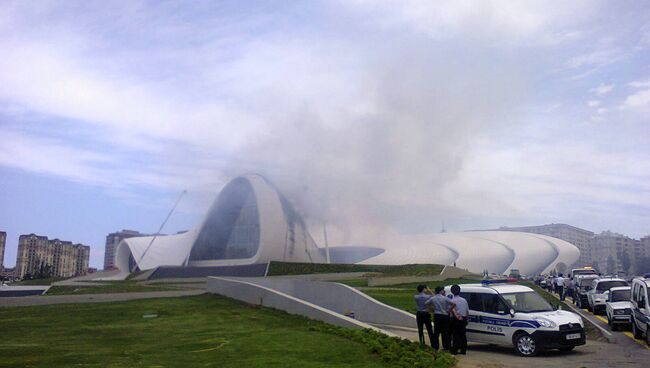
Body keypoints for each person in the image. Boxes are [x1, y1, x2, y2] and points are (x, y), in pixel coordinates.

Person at [430, 286, 456, 350]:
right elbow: (454, 304)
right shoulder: (445, 298)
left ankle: (435, 347)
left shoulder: (433, 298)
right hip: (444, 315)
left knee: (436, 332)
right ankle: (446, 347)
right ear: (440, 291)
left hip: (437, 315)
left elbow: (426, 303)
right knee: (445, 332)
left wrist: (432, 309)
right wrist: (449, 310)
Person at [449, 284, 469, 355]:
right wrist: (466, 319)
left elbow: (451, 311)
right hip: (463, 318)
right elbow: (467, 311)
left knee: (455, 335)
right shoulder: (464, 300)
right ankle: (463, 350)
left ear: (452, 292)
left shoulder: (452, 301)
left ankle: (455, 350)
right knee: (463, 335)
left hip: (455, 319)